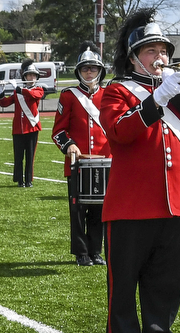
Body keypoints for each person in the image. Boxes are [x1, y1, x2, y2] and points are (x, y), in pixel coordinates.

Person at [99, 9, 180, 333]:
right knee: (125, 282)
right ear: (134, 56)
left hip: (176, 201)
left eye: (163, 51)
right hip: (131, 204)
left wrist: (177, 94)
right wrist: (156, 100)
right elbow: (119, 131)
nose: (161, 58)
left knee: (166, 279)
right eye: (151, 51)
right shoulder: (117, 90)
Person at [52, 42, 109, 266]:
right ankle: (81, 252)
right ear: (78, 71)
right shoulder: (68, 96)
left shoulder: (108, 95)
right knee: (78, 210)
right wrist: (69, 146)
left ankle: (96, 250)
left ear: (100, 71)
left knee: (99, 210)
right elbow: (58, 131)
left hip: (104, 161)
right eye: (85, 68)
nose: (89, 72)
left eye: (93, 68)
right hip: (78, 163)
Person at [1, 59, 45, 187]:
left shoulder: (38, 89)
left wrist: (18, 88)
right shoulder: (18, 91)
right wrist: (1, 91)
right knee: (18, 157)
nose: (31, 77)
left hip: (32, 128)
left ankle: (29, 180)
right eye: (29, 75)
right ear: (24, 76)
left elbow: (32, 95)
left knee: (30, 156)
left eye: (33, 75)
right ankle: (19, 180)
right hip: (18, 129)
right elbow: (4, 103)